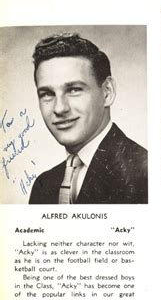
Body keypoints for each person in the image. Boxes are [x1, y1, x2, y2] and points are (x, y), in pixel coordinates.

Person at [29, 33, 148, 204]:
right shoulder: (44, 185)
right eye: (47, 94)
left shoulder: (146, 174)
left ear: (107, 92)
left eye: (74, 89)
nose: (60, 108)